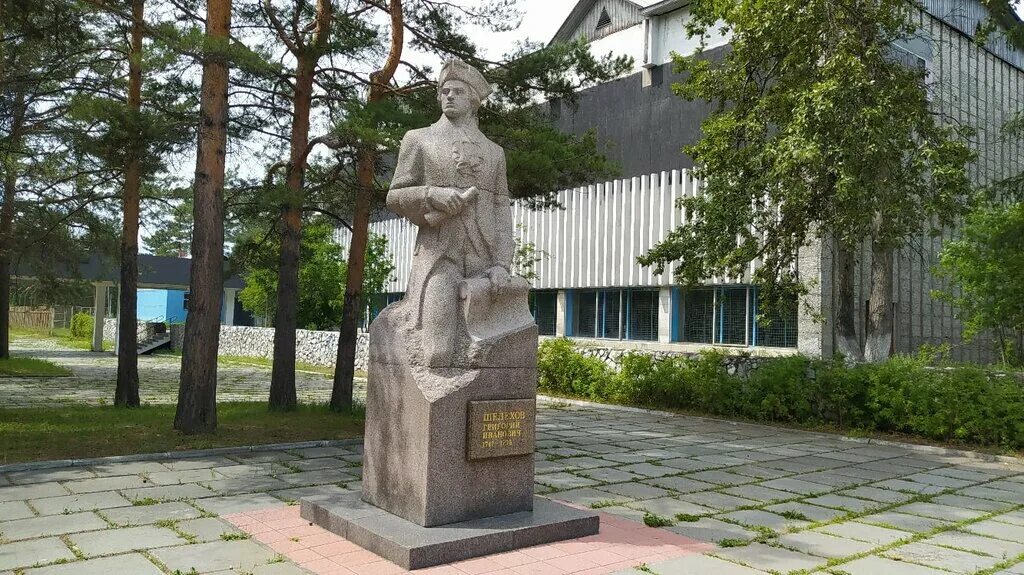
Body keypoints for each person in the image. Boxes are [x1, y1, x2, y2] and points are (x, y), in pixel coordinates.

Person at [386, 59, 514, 367]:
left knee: (498, 354)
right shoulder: (418, 139)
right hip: (440, 257)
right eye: (444, 91)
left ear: (473, 100)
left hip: (484, 261)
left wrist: (501, 265)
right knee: (438, 353)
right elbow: (394, 195)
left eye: (457, 91)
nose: (449, 96)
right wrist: (432, 195)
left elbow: (501, 211)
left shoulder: (495, 153)